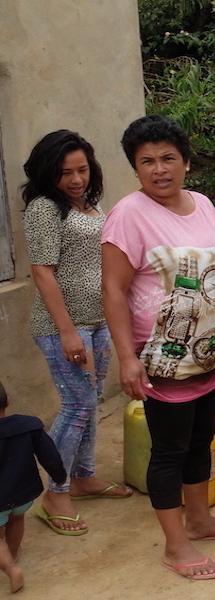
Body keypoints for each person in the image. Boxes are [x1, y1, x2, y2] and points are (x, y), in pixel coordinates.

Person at [102, 115, 215, 581]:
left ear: (186, 162)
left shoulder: (206, 205)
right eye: (146, 161)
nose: (159, 169)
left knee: (201, 440)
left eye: (168, 158)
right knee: (169, 450)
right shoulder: (128, 215)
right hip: (162, 360)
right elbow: (113, 291)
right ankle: (175, 545)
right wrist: (127, 358)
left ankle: (201, 518)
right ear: (135, 169)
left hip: (209, 354)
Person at [21, 130, 132, 537]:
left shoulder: (87, 203)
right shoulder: (44, 210)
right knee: (77, 405)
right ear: (48, 173)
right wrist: (67, 331)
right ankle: (56, 492)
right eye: (65, 172)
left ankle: (84, 476)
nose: (75, 179)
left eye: (82, 169)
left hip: (98, 321)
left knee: (91, 401)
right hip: (62, 327)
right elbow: (42, 272)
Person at [0, 381, 67, 593]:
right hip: (24, 493)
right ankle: (13, 552)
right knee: (17, 519)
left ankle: (10, 568)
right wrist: (59, 476)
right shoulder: (28, 425)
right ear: (8, 400)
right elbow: (49, 454)